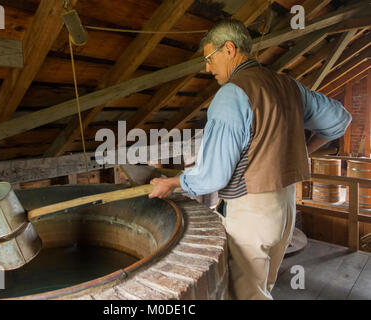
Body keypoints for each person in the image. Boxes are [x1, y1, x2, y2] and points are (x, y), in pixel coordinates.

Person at [148, 19, 352, 300]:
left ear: (229, 49)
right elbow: (339, 120)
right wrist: (307, 149)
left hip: (252, 210)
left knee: (245, 295)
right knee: (263, 287)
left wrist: (172, 182)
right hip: (285, 208)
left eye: (209, 58)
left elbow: (214, 176)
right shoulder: (288, 86)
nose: (207, 68)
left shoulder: (231, 95)